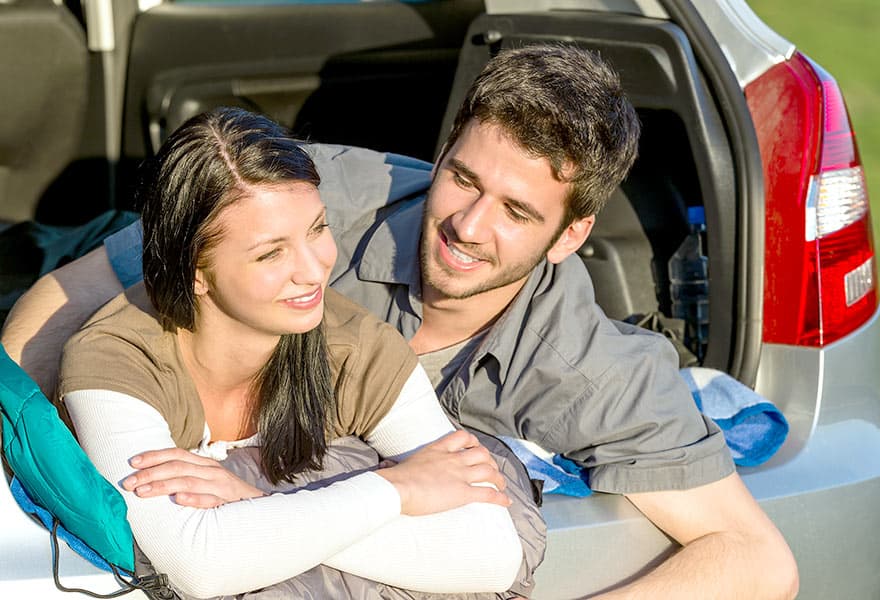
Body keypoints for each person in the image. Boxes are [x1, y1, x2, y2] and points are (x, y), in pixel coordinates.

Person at [2, 45, 799, 598]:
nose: (467, 225)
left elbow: (757, 561)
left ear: (571, 237)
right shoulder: (329, 198)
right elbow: (67, 302)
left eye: (517, 211)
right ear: (443, 149)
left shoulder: (591, 369)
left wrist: (258, 504)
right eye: (462, 177)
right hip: (98, 259)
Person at [51, 107, 529, 599]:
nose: (315, 268)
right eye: (271, 253)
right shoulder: (117, 356)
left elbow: (491, 556)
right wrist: (398, 489)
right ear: (195, 271)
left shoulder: (354, 347)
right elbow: (196, 565)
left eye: (318, 229)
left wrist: (258, 503)